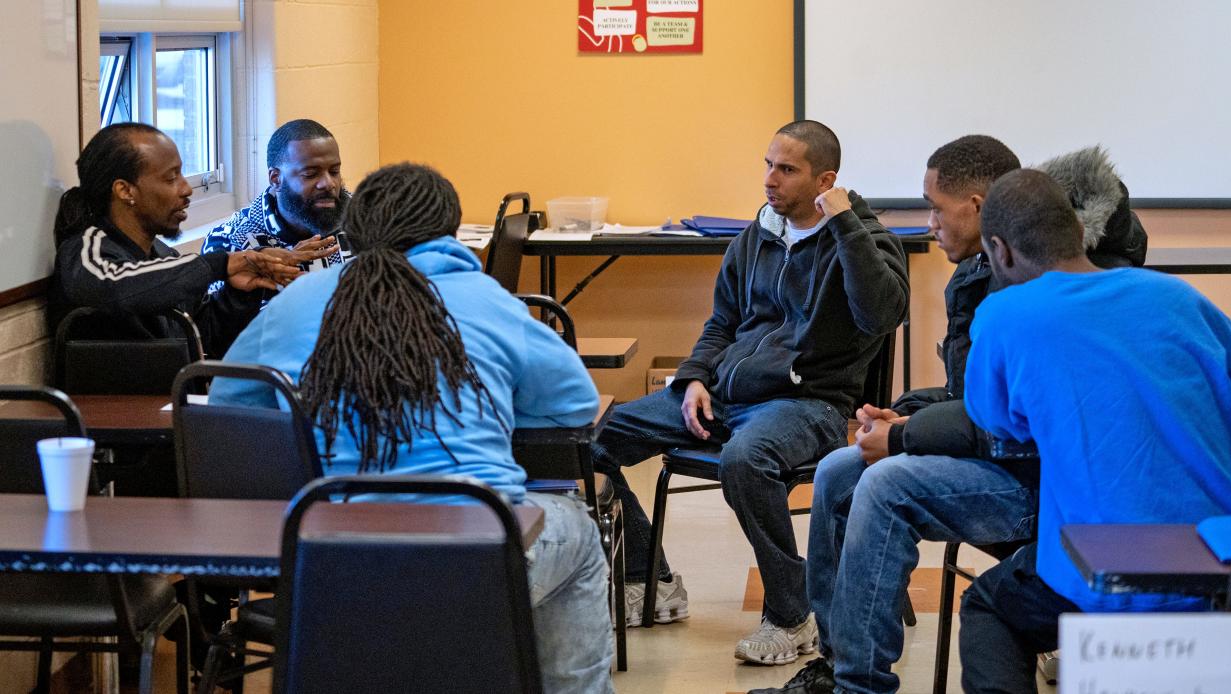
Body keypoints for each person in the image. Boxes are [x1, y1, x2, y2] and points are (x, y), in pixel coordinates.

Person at [751, 138, 1149, 694]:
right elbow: (976, 398)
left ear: (981, 208)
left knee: (886, 483)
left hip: (1054, 485)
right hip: (1019, 460)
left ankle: (860, 686)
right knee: (838, 471)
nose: (928, 222)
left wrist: (905, 437)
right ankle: (839, 664)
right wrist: (909, 412)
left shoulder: (1031, 294)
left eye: (936, 207)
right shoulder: (990, 273)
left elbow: (1013, 428)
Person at [209, 163, 615, 694]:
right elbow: (578, 405)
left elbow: (229, 406)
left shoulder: (299, 301)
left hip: (332, 563)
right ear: (450, 231)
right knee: (579, 530)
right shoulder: (485, 298)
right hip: (475, 560)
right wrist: (492, 408)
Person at [592, 120, 910, 665]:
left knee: (745, 459)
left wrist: (845, 225)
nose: (770, 180)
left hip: (808, 404)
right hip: (724, 393)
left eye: (786, 170)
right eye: (768, 164)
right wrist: (693, 378)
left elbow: (882, 313)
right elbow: (721, 324)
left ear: (825, 180)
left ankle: (792, 616)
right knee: (593, 439)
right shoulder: (757, 235)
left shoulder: (865, 240)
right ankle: (650, 577)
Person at [957, 168, 1231, 693]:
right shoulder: (1178, 298)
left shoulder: (1005, 314)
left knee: (988, 606)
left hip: (1113, 576)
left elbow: (997, 421)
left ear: (1000, 251)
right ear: (1076, 230)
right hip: (1226, 566)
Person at [48, 122, 326, 358]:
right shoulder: (86, 249)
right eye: (171, 178)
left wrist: (240, 293)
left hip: (171, 407)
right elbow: (116, 286)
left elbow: (205, 342)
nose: (185, 189)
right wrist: (219, 264)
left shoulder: (163, 255)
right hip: (109, 418)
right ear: (125, 190)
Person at [201, 118, 345, 296]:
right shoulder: (230, 242)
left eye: (334, 172)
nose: (328, 184)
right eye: (310, 174)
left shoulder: (364, 219)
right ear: (276, 178)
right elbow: (222, 322)